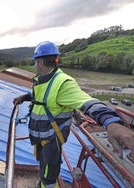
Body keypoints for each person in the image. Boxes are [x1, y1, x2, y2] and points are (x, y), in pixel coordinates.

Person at [13, 41, 134, 188]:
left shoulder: (64, 84)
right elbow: (40, 96)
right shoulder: (43, 80)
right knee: (43, 166)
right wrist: (25, 97)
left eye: (35, 63)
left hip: (52, 139)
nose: (34, 66)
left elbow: (87, 101)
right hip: (41, 138)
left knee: (49, 175)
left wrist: (111, 121)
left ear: (40, 63)